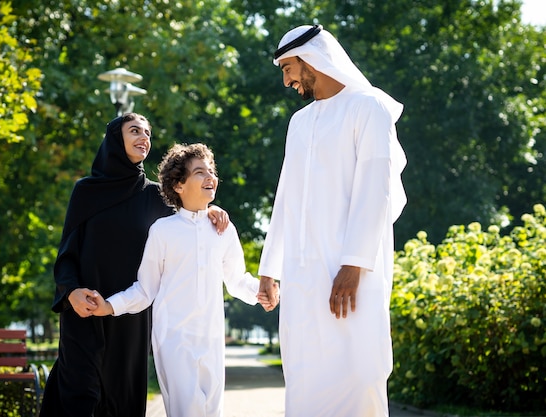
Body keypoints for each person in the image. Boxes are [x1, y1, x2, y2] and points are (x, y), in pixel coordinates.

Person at [258, 24, 408, 417]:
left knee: (361, 372)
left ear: (312, 59)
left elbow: (376, 191)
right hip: (302, 274)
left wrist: (353, 263)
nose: (287, 79)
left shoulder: (368, 108)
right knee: (305, 373)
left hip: (353, 271)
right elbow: (285, 197)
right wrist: (269, 269)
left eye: (288, 68)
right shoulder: (300, 122)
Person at [40, 114, 230, 417]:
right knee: (79, 394)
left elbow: (192, 210)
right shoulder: (86, 191)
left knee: (121, 397)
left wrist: (215, 211)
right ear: (116, 138)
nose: (144, 137)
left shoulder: (156, 196)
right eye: (135, 131)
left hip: (131, 316)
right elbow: (67, 254)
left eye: (148, 132)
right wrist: (70, 292)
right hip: (84, 309)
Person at [90, 143, 271, 417]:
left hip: (211, 337)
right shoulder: (163, 231)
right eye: (199, 172)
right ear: (178, 185)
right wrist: (110, 306)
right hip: (173, 338)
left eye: (211, 171)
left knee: (212, 411)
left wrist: (262, 291)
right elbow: (145, 289)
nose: (210, 176)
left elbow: (236, 281)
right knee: (188, 411)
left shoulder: (224, 229)